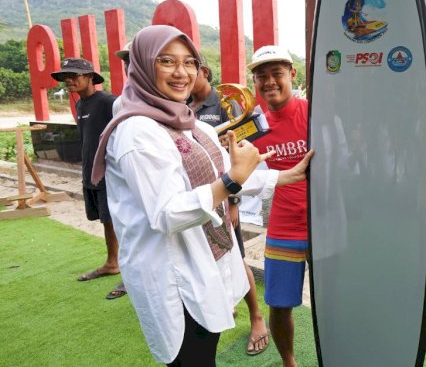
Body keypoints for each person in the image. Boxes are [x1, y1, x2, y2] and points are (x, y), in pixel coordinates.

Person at [89, 25, 312, 366]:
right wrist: (231, 182)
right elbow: (166, 213)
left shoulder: (189, 123)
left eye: (189, 62)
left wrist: (288, 175)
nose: (181, 72)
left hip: (202, 264)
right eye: (166, 61)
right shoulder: (136, 131)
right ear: (143, 67)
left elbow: (227, 169)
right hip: (171, 275)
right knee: (189, 358)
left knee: (204, 352)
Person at [248, 45, 426, 367]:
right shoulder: (254, 127)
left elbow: (355, 167)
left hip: (327, 225)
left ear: (292, 75)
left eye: (276, 74)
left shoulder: (320, 115)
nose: (269, 82)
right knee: (279, 305)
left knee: (332, 303)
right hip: (283, 229)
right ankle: (289, 363)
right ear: (254, 82)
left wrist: (423, 172)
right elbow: (241, 178)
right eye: (261, 77)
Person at [186, 56, 270, 356]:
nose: (182, 76)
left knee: (237, 257)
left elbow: (239, 152)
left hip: (226, 194)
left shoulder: (226, 103)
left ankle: (257, 318)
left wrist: (232, 201)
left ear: (203, 72)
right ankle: (226, 304)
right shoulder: (185, 107)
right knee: (214, 256)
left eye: (189, 68)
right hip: (200, 198)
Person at [50, 58, 126, 300]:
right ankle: (112, 263)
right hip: (90, 173)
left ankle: (132, 273)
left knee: (121, 221)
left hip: (110, 173)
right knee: (106, 220)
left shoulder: (109, 102)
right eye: (65, 77)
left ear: (91, 76)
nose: (69, 81)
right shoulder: (80, 105)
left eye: (74, 75)